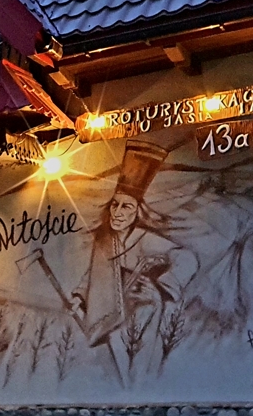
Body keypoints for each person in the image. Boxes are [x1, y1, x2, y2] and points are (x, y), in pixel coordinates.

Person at [72, 140, 198, 384]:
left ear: (137, 211)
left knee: (138, 367)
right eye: (115, 205)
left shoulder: (145, 239)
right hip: (110, 316)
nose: (118, 212)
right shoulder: (104, 241)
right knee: (115, 372)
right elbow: (94, 274)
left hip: (142, 311)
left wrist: (160, 287)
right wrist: (79, 295)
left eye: (126, 206)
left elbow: (188, 258)